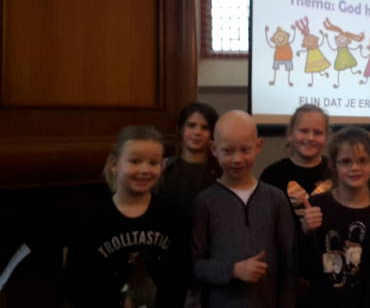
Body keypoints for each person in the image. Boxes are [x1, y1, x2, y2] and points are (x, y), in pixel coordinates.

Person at [64, 125, 191, 308]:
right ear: (114, 164)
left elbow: (180, 279)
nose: (145, 169)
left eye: (153, 163)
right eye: (134, 161)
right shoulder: (90, 221)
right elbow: (76, 285)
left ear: (162, 166)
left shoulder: (174, 218)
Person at [192, 110, 296, 308]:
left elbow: (289, 263)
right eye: (228, 151)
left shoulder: (276, 199)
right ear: (214, 149)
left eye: (245, 150)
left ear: (258, 146)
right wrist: (232, 270)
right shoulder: (205, 202)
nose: (237, 159)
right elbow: (194, 265)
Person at [300, 126, 370, 308]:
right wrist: (306, 231)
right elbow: (305, 270)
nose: (355, 168)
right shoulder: (317, 205)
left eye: (362, 160)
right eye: (345, 161)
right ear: (333, 165)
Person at [260, 104, 332, 216]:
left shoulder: (336, 171)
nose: (310, 138)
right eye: (304, 131)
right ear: (290, 134)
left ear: (326, 137)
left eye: (318, 133)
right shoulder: (272, 175)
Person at [157, 101, 220, 218]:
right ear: (179, 129)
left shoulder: (221, 172)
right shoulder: (163, 168)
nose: (197, 132)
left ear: (213, 133)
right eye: (191, 125)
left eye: (205, 128)